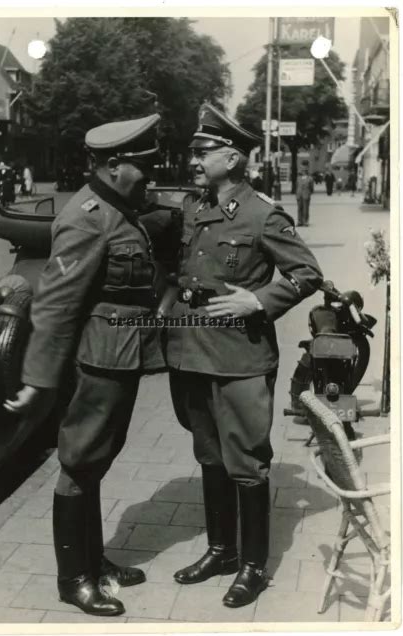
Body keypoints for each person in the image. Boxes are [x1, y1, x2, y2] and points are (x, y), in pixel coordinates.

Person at [4, 114, 166, 617]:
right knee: (79, 462)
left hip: (117, 359)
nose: (149, 176)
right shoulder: (87, 216)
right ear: (114, 165)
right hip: (96, 363)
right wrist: (36, 380)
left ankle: (95, 563)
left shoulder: (119, 210)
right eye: (142, 166)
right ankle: (73, 579)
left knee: (95, 460)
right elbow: (54, 305)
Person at [165, 103, 323, 608]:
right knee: (209, 455)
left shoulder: (262, 214)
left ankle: (253, 566)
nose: (194, 159)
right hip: (191, 353)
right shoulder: (195, 207)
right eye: (193, 152)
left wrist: (258, 300)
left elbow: (307, 273)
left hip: (240, 358)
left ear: (233, 158)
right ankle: (221, 550)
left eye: (203, 152)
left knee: (247, 464)